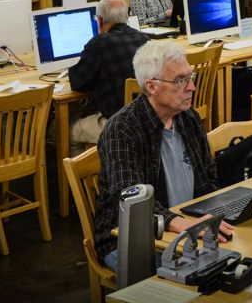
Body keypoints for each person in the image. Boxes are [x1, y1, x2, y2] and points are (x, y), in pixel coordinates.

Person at [93, 40, 234, 271]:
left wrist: (212, 216)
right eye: (181, 80)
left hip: (184, 223)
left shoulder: (188, 118)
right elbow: (132, 200)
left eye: (191, 77)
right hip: (128, 238)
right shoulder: (123, 129)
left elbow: (208, 179)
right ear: (151, 86)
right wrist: (180, 224)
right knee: (198, 274)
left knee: (234, 259)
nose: (192, 87)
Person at [68, 0, 149, 153]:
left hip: (118, 125)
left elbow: (78, 83)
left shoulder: (98, 44)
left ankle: (80, 175)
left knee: (71, 131)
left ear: (99, 21)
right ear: (127, 17)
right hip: (146, 120)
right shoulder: (144, 39)